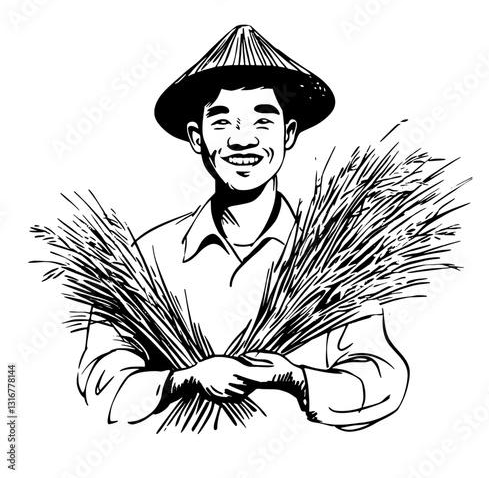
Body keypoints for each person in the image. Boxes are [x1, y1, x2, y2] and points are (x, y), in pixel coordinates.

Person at [77, 25, 409, 430]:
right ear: (196, 137)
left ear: (289, 134)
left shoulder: (336, 256)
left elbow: (380, 379)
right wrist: (185, 380)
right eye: (222, 121)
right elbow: (101, 384)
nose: (242, 140)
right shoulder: (146, 258)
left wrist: (292, 378)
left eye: (263, 120)